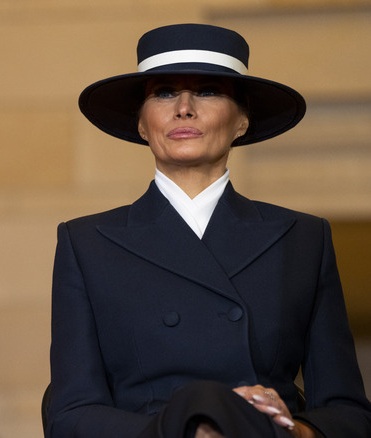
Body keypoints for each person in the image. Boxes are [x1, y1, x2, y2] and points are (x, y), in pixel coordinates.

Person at [46, 23, 371, 438]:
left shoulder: (304, 238)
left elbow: (349, 412)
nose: (184, 108)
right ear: (142, 125)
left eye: (208, 91)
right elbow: (70, 415)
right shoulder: (85, 242)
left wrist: (292, 430)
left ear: (242, 121)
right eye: (164, 93)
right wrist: (185, 427)